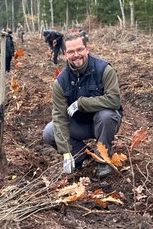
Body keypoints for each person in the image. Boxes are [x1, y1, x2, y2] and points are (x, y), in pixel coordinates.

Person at [42, 32, 123, 179]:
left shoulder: (104, 69)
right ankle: (79, 156)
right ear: (65, 54)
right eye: (71, 52)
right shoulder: (61, 81)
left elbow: (114, 101)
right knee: (50, 131)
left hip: (104, 123)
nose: (76, 55)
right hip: (80, 125)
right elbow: (60, 117)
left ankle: (102, 160)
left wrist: (82, 103)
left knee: (106, 115)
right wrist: (66, 153)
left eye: (80, 49)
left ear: (87, 49)